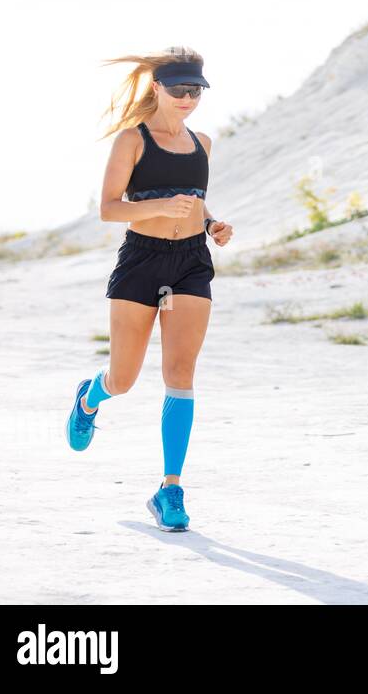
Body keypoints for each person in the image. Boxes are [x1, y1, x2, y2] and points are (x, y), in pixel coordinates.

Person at [65, 47, 234, 532]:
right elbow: (110, 208)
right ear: (156, 88)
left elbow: (196, 204)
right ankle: (89, 398)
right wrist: (161, 207)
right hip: (141, 261)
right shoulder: (131, 141)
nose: (187, 99)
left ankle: (170, 489)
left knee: (180, 371)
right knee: (124, 377)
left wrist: (214, 223)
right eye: (179, 89)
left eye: (196, 91)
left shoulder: (202, 141)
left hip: (191, 265)